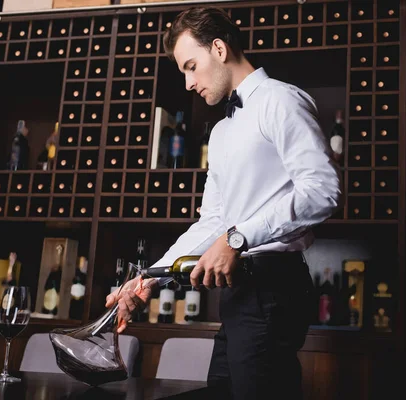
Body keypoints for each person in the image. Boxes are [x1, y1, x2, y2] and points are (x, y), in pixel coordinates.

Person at [105, 6, 342, 400]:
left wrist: (237, 238)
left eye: (191, 66)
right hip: (237, 294)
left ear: (218, 48)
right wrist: (146, 278)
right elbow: (212, 222)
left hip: (274, 287)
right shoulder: (221, 131)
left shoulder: (279, 100)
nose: (187, 83)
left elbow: (323, 189)